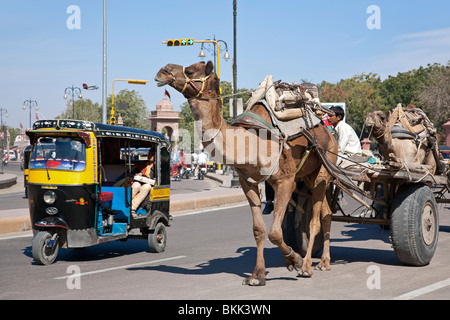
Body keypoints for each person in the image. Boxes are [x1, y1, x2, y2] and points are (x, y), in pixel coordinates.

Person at [131, 148, 155, 217]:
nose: (150, 156)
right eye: (149, 154)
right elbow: (133, 173)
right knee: (136, 185)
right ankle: (126, 204)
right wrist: (138, 174)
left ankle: (132, 208)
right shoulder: (142, 164)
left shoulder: (156, 167)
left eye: (152, 154)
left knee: (147, 187)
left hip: (148, 184)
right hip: (138, 182)